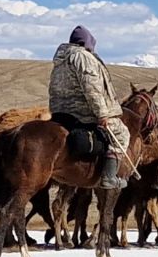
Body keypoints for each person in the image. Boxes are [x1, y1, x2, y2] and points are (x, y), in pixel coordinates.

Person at [49, 25, 129, 189]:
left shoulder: (60, 60)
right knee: (121, 132)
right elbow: (91, 87)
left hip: (60, 111)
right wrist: (102, 114)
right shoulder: (83, 57)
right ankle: (109, 177)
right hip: (81, 112)